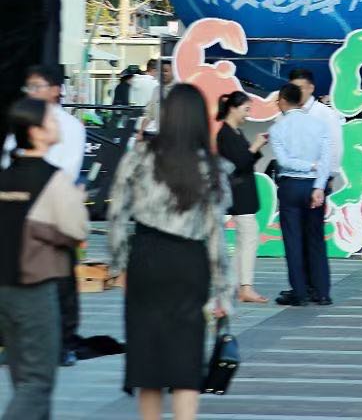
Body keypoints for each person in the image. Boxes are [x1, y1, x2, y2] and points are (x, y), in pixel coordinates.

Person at [108, 84, 232, 420]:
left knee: (147, 362)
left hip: (146, 257)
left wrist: (119, 266)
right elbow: (216, 234)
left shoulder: (138, 157)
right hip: (189, 263)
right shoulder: (211, 167)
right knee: (186, 360)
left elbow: (116, 215)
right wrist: (223, 292)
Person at [0, 97, 88, 418]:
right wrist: (76, 200)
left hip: (4, 286)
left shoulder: (6, 176)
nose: (56, 123)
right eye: (50, 120)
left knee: (21, 376)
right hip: (35, 286)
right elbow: (76, 229)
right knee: (37, 380)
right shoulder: (52, 178)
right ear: (35, 132)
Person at [269, 82, 336, 307]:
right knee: (316, 240)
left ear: (283, 101)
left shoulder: (277, 128)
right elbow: (326, 160)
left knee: (293, 241)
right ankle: (322, 292)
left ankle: (299, 292)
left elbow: (283, 161)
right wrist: (319, 187)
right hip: (314, 187)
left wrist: (307, 166)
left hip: (290, 186)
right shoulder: (319, 124)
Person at [214, 91, 269, 305]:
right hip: (238, 195)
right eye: (246, 109)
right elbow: (239, 164)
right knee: (248, 239)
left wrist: (256, 148)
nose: (248, 114)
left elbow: (245, 161)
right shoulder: (225, 134)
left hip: (243, 193)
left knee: (244, 240)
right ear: (233, 108)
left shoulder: (234, 132)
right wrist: (255, 146)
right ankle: (245, 287)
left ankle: (236, 284)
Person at [288, 67, 345, 196]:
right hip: (290, 180)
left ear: (311, 88)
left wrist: (329, 177)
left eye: (300, 88)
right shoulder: (286, 113)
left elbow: (335, 147)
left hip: (315, 180)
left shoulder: (325, 114)